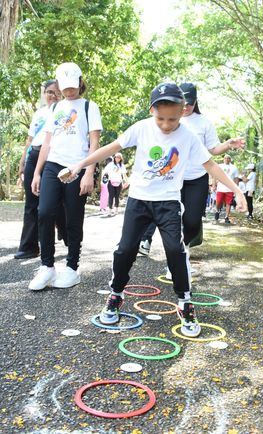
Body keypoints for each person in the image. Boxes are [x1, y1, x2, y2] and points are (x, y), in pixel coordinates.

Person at [64, 82, 247, 338]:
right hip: (139, 201)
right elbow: (112, 148)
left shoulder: (188, 137)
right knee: (125, 249)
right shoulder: (141, 128)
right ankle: (116, 294)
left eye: (172, 119)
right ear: (152, 111)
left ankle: (185, 302)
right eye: (161, 118)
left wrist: (237, 191)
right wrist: (80, 165)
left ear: (183, 111)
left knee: (175, 249)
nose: (166, 124)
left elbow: (212, 166)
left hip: (169, 203)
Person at [139, 82, 244, 258]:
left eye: (190, 103)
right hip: (172, 176)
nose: (186, 107)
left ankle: (183, 246)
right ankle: (160, 247)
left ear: (196, 102)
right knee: (166, 215)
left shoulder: (204, 123)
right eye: (184, 103)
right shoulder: (170, 117)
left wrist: (228, 145)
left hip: (197, 178)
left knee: (193, 222)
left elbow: (213, 149)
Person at [28, 62, 102, 290]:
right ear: (59, 85)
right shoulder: (54, 108)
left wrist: (89, 172)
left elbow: (95, 142)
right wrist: (37, 172)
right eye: (64, 87)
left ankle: (72, 268)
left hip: (77, 167)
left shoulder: (90, 107)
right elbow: (47, 142)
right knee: (44, 212)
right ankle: (47, 267)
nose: (69, 91)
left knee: (73, 218)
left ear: (80, 82)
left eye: (72, 86)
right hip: (52, 165)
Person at [14, 80, 67, 260]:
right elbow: (30, 140)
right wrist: (23, 160)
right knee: (31, 202)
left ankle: (65, 235)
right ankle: (29, 246)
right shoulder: (40, 113)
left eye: (56, 92)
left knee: (55, 202)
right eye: (49, 92)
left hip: (54, 157)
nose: (52, 95)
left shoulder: (66, 111)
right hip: (35, 154)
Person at [214, 154, 239, 224]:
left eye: (228, 158)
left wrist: (236, 188)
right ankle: (217, 210)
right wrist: (214, 185)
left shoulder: (234, 167)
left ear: (230, 159)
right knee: (218, 202)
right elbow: (215, 176)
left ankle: (226, 217)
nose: (227, 159)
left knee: (229, 203)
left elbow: (236, 178)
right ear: (223, 159)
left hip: (230, 188)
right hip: (220, 188)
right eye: (225, 158)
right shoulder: (220, 166)